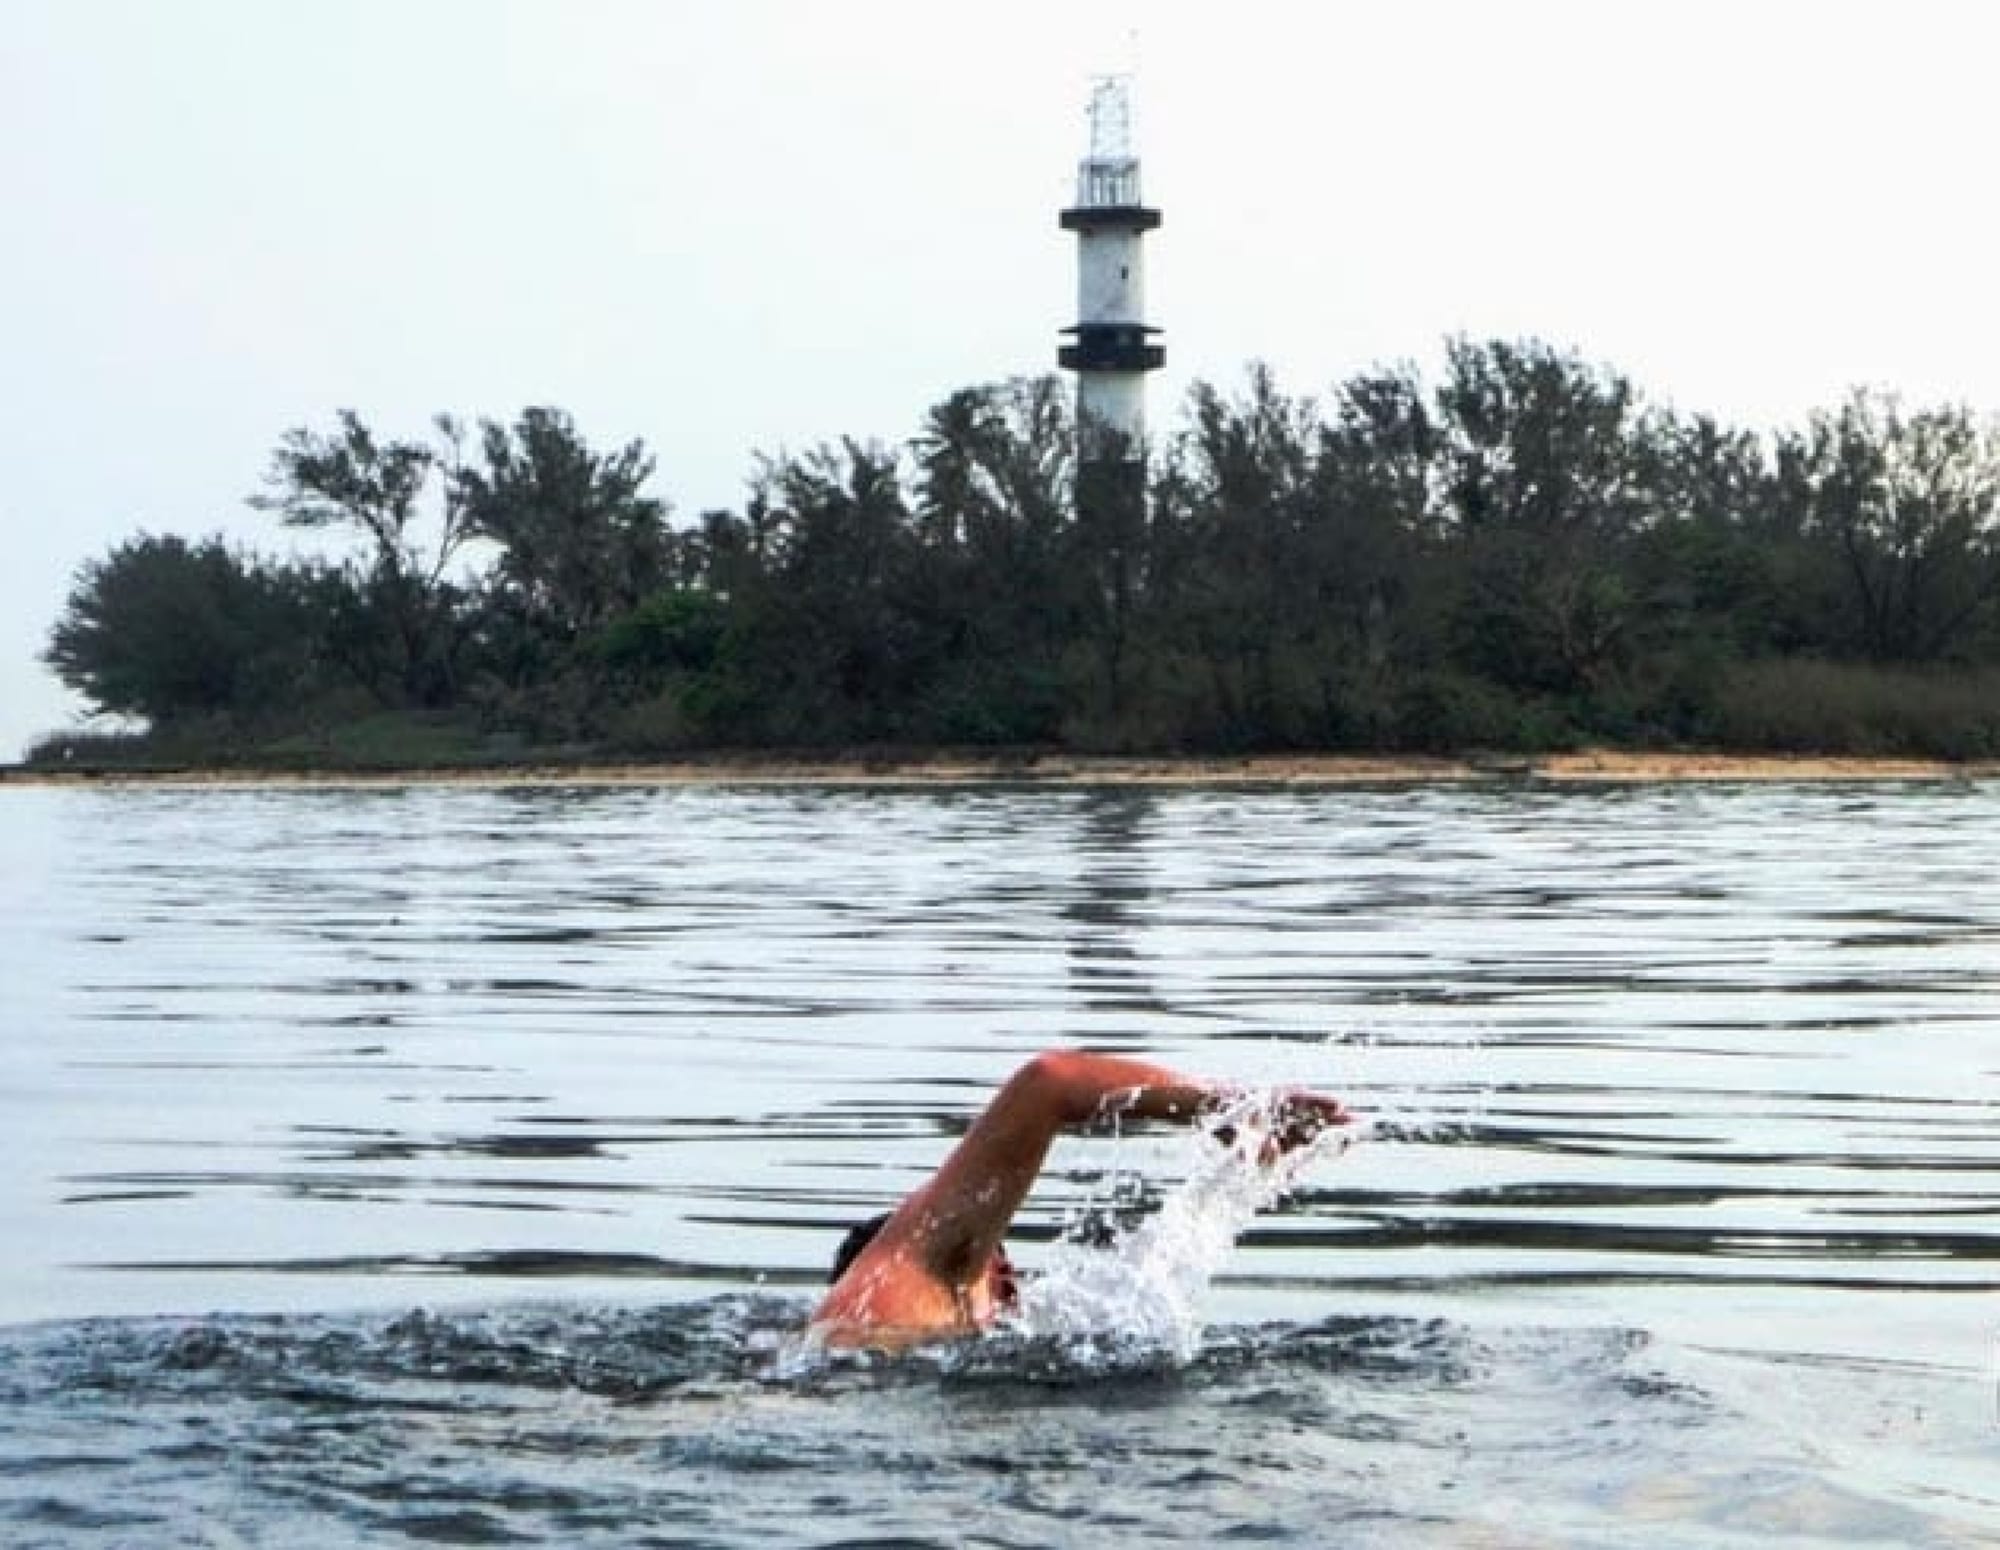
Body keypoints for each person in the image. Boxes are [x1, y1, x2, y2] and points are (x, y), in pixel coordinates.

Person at [809, 1048, 1350, 1350]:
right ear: (991, 1270)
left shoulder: (861, 1318)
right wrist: (1229, 1109)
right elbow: (1049, 1081)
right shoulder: (935, 1266)